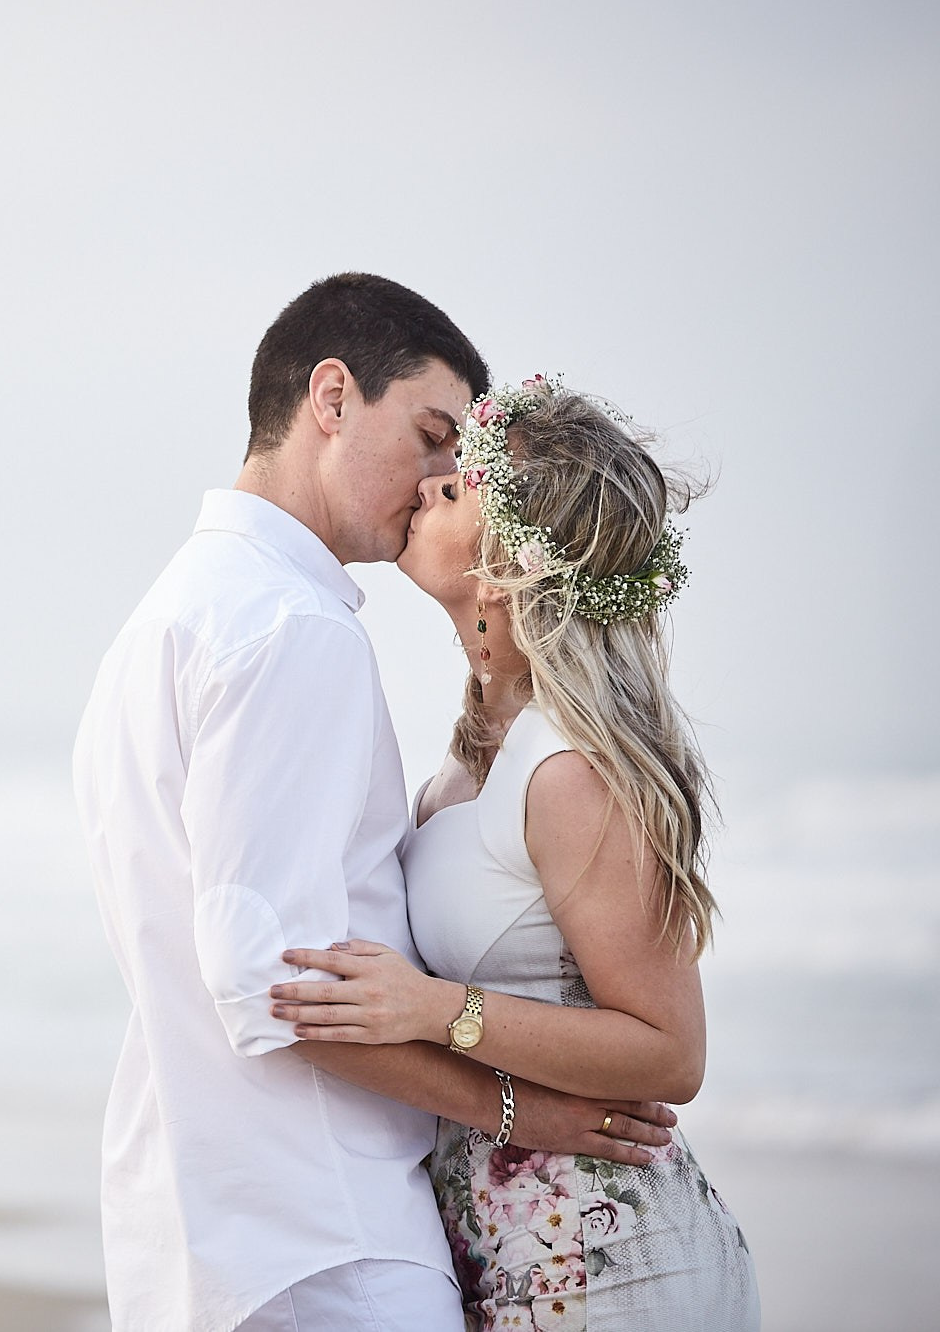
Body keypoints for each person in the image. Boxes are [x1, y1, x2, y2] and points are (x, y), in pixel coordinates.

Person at [73, 275, 677, 1332]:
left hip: (203, 1221)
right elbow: (271, 983)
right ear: (333, 396)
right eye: (431, 435)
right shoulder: (290, 629)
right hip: (321, 1233)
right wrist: (517, 1109)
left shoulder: (166, 619)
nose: (442, 478)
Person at [268, 377, 760, 1329]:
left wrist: (431, 1008)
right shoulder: (474, 752)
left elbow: (671, 1050)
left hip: (616, 1266)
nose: (429, 484)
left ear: (507, 568)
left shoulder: (569, 768)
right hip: (507, 1257)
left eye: (461, 488)